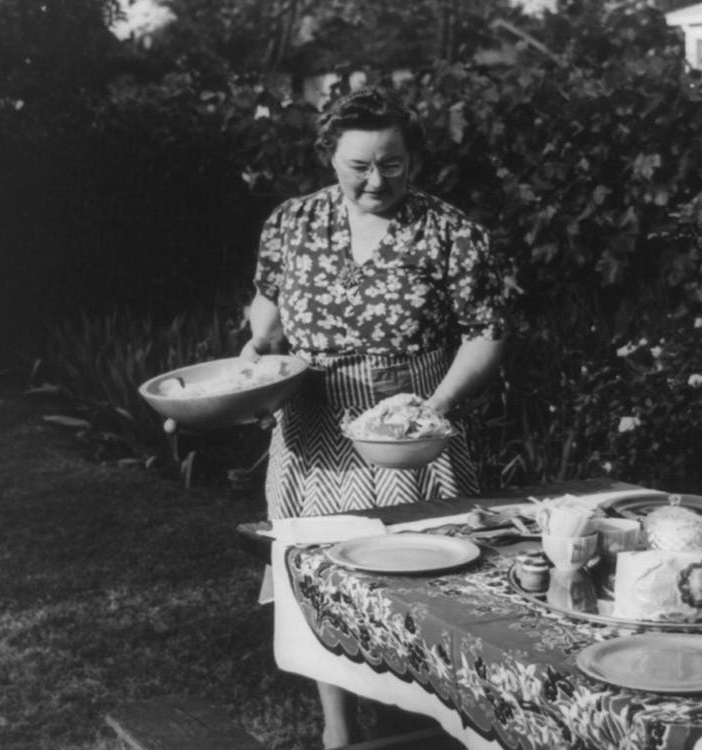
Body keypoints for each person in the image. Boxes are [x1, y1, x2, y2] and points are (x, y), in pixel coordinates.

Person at [242, 86, 507, 748]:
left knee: (427, 583)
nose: (377, 180)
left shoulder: (450, 230)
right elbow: (266, 317)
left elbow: (488, 331)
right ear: (328, 156)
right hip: (313, 434)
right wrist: (253, 366)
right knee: (318, 573)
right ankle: (341, 727)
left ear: (413, 157)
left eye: (393, 163)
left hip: (411, 438)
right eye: (359, 165)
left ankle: (434, 722)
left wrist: (435, 406)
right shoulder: (292, 223)